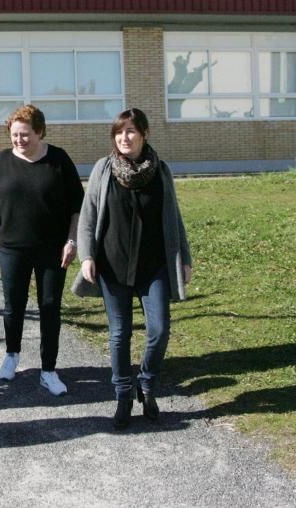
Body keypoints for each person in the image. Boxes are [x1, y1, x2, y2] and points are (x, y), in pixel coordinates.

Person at [77, 108, 193, 430]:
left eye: (130, 132)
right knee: (119, 334)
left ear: (144, 134)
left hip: (153, 266)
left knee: (159, 329)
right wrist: (87, 256)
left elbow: (174, 218)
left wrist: (184, 258)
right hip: (112, 266)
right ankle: (123, 395)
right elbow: (87, 218)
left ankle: (147, 383)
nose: (124, 138)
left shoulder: (161, 171)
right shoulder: (103, 170)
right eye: (119, 132)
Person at [0, 104, 84, 396]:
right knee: (13, 306)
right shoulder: (1, 162)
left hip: (53, 249)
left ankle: (48, 370)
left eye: (25, 134)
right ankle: (11, 355)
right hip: (13, 248)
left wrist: (72, 241)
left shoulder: (59, 160)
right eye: (14, 135)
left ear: (39, 131)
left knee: (50, 307)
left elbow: (77, 204)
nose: (19, 140)